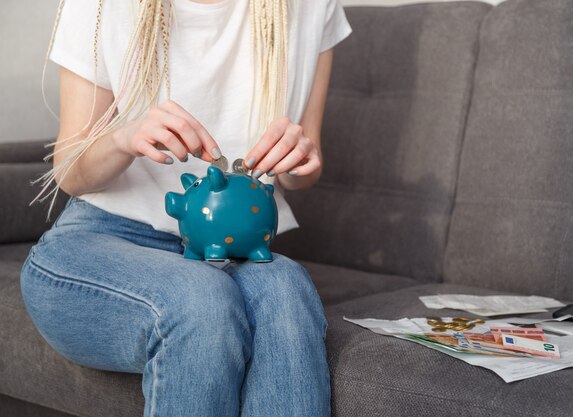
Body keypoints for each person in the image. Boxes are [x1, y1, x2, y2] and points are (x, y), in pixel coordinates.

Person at [19, 0, 352, 416]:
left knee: (287, 287)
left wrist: (302, 158)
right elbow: (70, 174)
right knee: (200, 299)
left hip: (234, 250)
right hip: (103, 238)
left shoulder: (308, 7)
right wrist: (125, 137)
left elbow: (299, 175)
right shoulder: (102, 5)